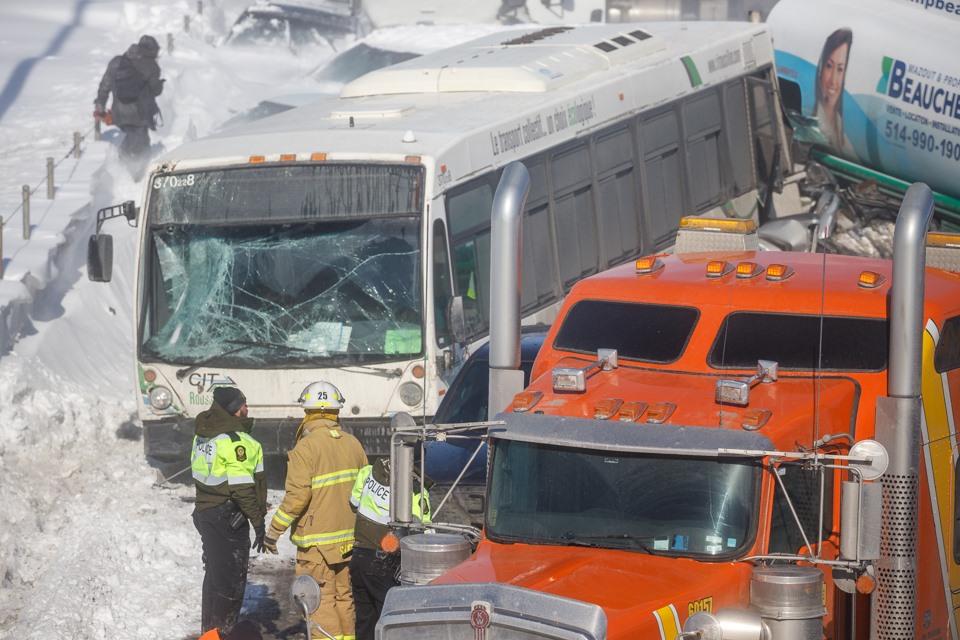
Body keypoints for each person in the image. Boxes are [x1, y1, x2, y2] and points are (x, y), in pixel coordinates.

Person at [263, 381, 368, 640]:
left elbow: (297, 497)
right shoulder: (354, 444)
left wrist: (274, 531)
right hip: (349, 539)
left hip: (317, 543)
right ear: (336, 412)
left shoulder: (305, 448)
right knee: (344, 597)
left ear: (307, 413)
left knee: (318, 602)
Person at [191, 385, 268, 637]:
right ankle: (221, 634)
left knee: (214, 578)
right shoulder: (236, 442)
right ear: (235, 410)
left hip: (205, 512)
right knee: (230, 585)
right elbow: (243, 489)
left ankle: (209, 635)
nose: (247, 408)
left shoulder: (203, 434)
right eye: (243, 404)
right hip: (227, 518)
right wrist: (258, 523)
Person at [349, 457, 431, 640]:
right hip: (385, 565)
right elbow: (421, 533)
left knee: (365, 623)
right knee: (391, 624)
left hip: (359, 558)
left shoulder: (368, 471)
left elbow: (354, 503)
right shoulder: (416, 489)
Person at [93, 34, 164, 178]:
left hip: (119, 112)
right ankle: (132, 172)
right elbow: (154, 90)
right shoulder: (151, 65)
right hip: (140, 113)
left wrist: (100, 105)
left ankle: (132, 172)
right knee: (140, 143)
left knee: (136, 139)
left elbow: (105, 85)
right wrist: (160, 84)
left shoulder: (118, 62)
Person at [813, 27, 854, 155]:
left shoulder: (839, 124)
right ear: (820, 68)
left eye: (840, 69)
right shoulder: (814, 126)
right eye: (829, 66)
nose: (833, 80)